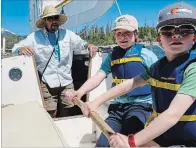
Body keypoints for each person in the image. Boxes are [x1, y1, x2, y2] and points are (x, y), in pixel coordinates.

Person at [75, 2, 196, 147]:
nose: (176, 35)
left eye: (185, 30)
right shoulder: (158, 67)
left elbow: (172, 115)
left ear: (195, 38)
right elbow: (129, 84)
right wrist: (96, 101)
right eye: (168, 31)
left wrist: (132, 141)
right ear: (159, 40)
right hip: (171, 136)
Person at [65, 14, 158, 147]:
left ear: (136, 34)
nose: (122, 37)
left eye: (127, 33)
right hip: (117, 108)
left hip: (141, 106)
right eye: (118, 33)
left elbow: (162, 79)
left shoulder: (146, 55)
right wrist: (79, 92)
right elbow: (98, 77)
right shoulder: (112, 57)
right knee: (103, 143)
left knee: (130, 137)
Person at [12, 5, 97, 118]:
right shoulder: (34, 37)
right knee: (50, 113)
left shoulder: (68, 35)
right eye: (50, 18)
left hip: (67, 81)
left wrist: (89, 45)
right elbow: (15, 48)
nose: (54, 21)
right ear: (45, 21)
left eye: (55, 18)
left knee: (69, 110)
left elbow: (81, 44)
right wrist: (20, 49)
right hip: (47, 83)